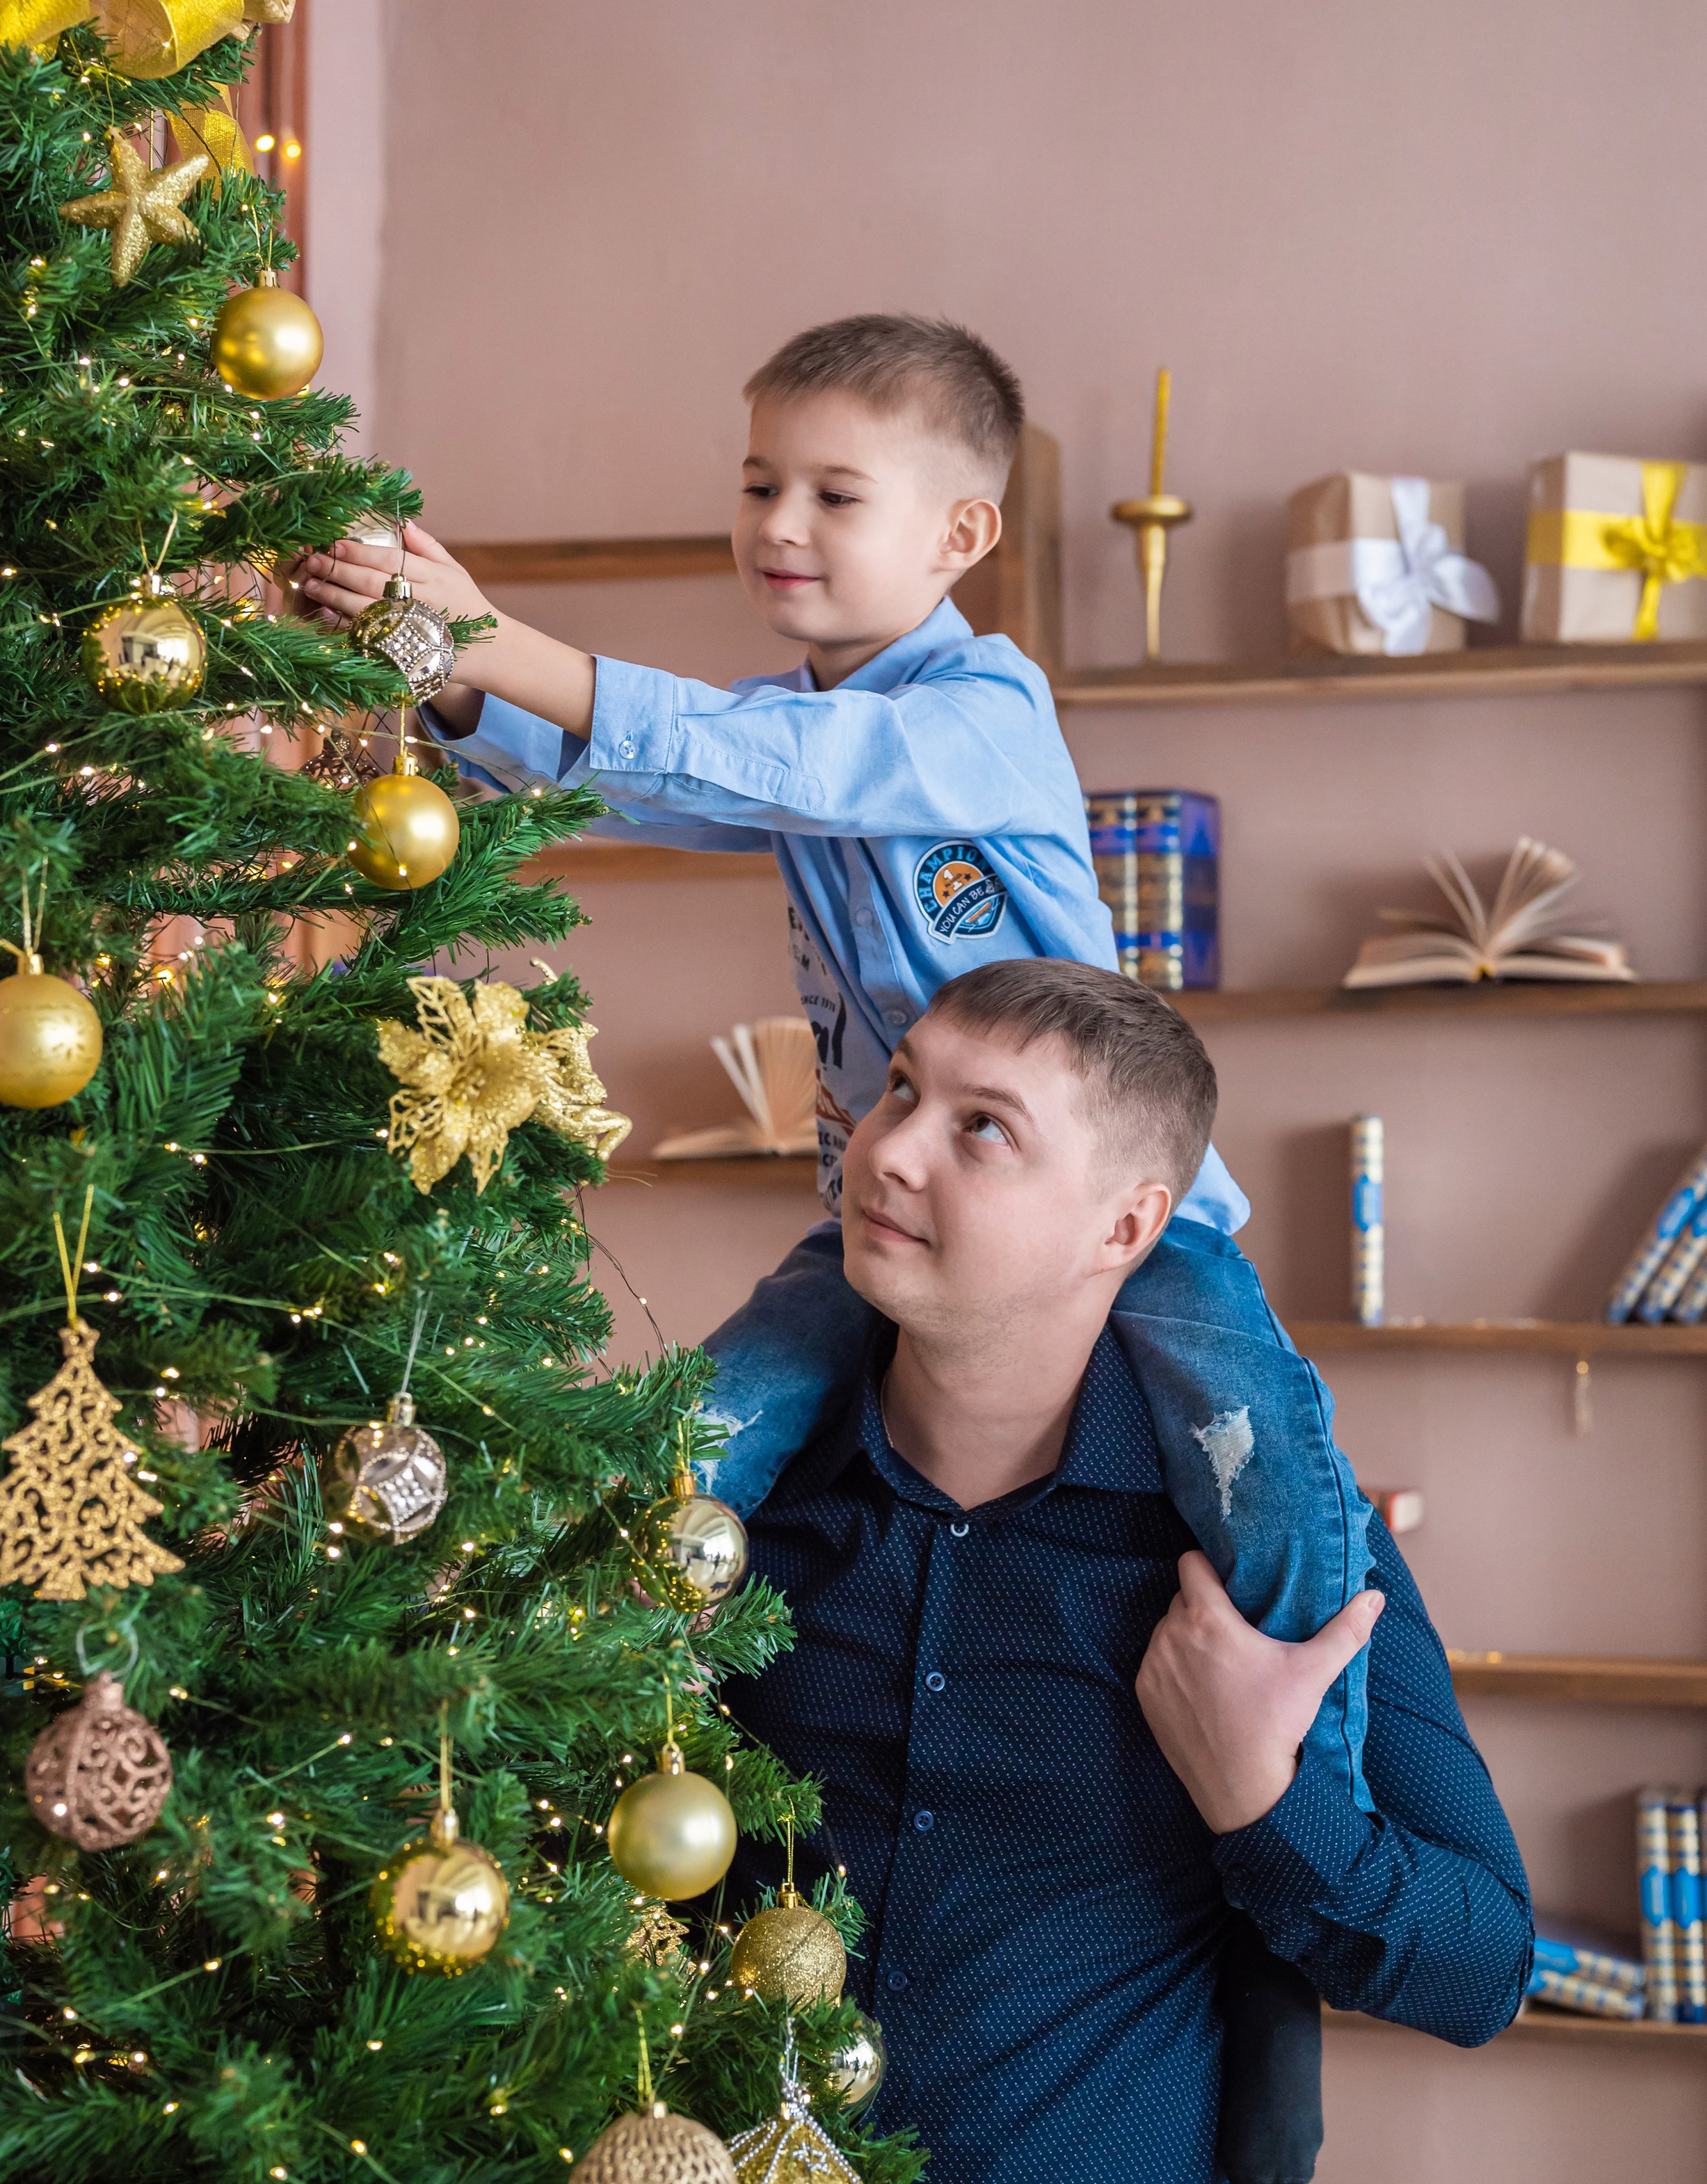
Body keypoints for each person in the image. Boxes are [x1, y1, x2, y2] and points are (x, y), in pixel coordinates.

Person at [294, 312, 1376, 1813]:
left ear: (960, 534)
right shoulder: (793, 722)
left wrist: (496, 636)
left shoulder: (984, 715)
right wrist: (461, 684)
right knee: (697, 1433)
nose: (778, 525)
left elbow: (782, 766)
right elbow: (652, 776)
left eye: (833, 494)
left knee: (1260, 1459)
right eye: (758, 486)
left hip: (1129, 1214)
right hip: (875, 1213)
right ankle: (551, 1745)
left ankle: (1320, 1780)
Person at [718, 959, 1531, 2184]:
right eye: (901, 1089)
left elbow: (1481, 1969)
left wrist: (1263, 1803)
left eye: (982, 1127)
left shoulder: (1275, 1557)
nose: (889, 1149)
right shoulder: (727, 1518)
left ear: (1126, 1225)